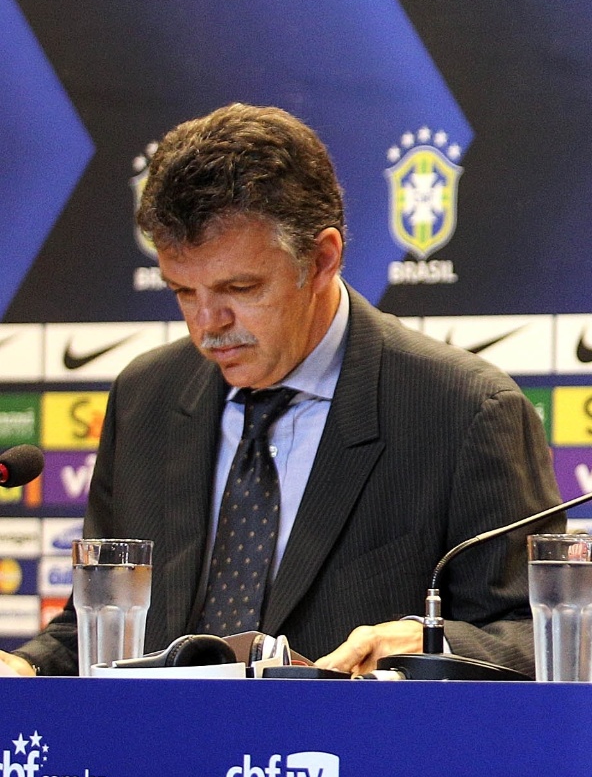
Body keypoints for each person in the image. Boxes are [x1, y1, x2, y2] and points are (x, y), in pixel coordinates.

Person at [1, 104, 558, 677]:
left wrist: (428, 646)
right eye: (183, 292)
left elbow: (533, 637)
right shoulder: (146, 397)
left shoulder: (462, 410)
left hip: (349, 736)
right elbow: (97, 625)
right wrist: (26, 667)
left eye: (240, 288)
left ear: (321, 260)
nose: (207, 325)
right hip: (163, 736)